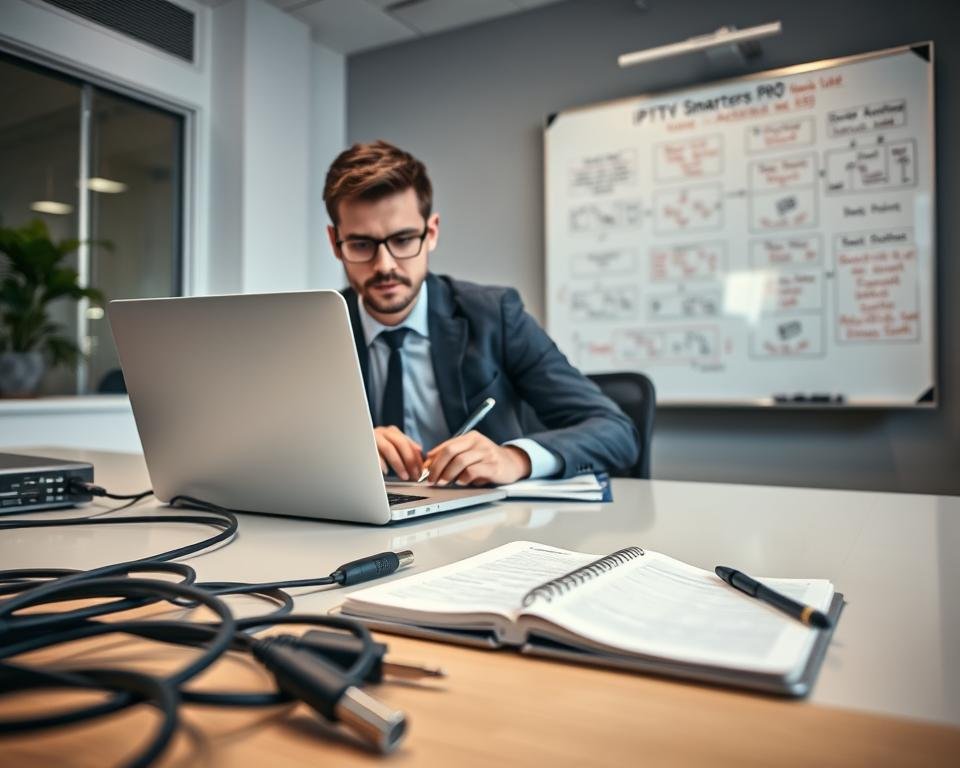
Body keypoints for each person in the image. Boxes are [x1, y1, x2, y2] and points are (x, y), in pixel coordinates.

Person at [324, 140, 639, 487]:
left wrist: (514, 458)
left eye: (402, 240)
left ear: (431, 233)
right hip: (361, 531)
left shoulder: (495, 315)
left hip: (488, 529)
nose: (384, 265)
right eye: (361, 245)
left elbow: (616, 431)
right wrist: (341, 450)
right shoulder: (317, 331)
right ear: (334, 242)